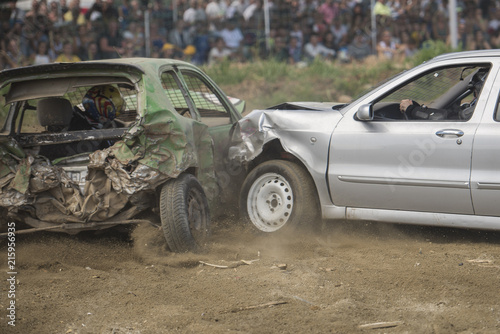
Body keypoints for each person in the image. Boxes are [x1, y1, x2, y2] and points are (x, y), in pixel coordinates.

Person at [399, 69, 487, 120]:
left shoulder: (484, 109)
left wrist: (412, 110)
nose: (474, 96)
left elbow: (448, 118)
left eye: (475, 90)